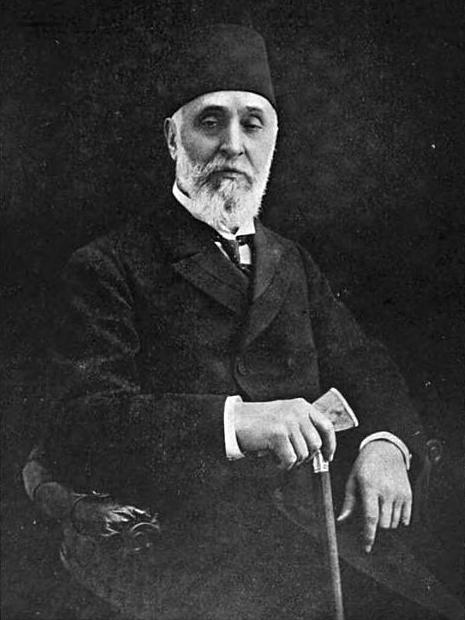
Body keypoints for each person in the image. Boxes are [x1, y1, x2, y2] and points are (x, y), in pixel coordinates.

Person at [38, 23, 462, 620]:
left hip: (321, 535)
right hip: (190, 556)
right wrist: (236, 422)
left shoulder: (290, 260)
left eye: (252, 124)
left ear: (273, 141)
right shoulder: (109, 266)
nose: (233, 145)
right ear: (173, 138)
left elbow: (365, 363)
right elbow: (79, 425)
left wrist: (386, 443)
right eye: (211, 122)